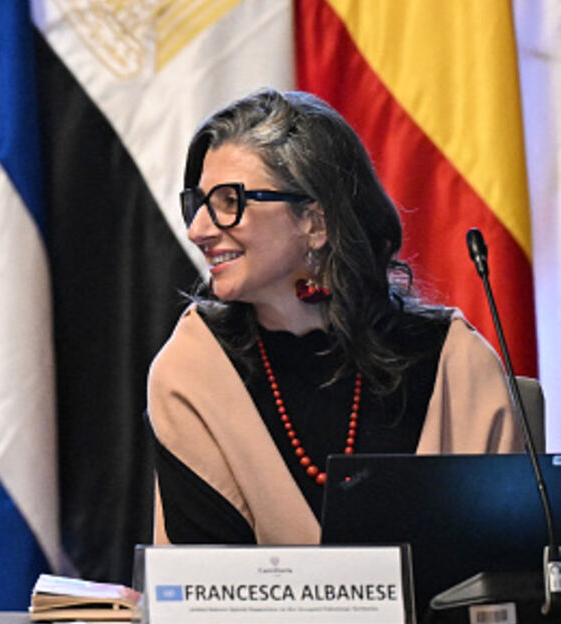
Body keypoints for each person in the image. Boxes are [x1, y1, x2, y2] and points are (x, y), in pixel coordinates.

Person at [148, 88, 521, 545]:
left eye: (229, 202)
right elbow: (202, 593)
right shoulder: (195, 366)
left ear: (315, 222)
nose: (197, 230)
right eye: (199, 205)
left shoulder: (454, 363)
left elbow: (502, 580)